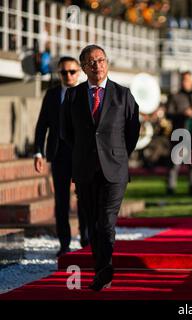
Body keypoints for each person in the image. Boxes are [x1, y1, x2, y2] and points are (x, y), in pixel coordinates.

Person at [61, 45, 140, 291]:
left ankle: (104, 271)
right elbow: (67, 133)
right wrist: (85, 153)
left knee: (106, 221)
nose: (97, 65)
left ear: (107, 63)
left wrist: (118, 154)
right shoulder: (73, 97)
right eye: (91, 62)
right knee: (92, 223)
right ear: (84, 68)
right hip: (85, 170)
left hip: (114, 169)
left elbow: (132, 131)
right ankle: (101, 268)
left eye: (101, 60)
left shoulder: (123, 95)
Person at [34, 56, 89, 257]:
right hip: (59, 153)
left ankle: (86, 239)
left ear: (79, 72)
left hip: (81, 153)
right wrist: (38, 151)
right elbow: (42, 125)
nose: (68, 75)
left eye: (72, 71)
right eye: (64, 72)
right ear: (59, 73)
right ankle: (64, 243)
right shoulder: (51, 95)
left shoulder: (88, 93)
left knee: (84, 198)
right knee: (61, 200)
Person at [166, 71, 192, 195]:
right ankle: (171, 188)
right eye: (184, 80)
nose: (186, 82)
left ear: (191, 81)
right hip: (179, 135)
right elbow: (168, 114)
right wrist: (182, 113)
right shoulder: (175, 96)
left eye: (188, 80)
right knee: (175, 163)